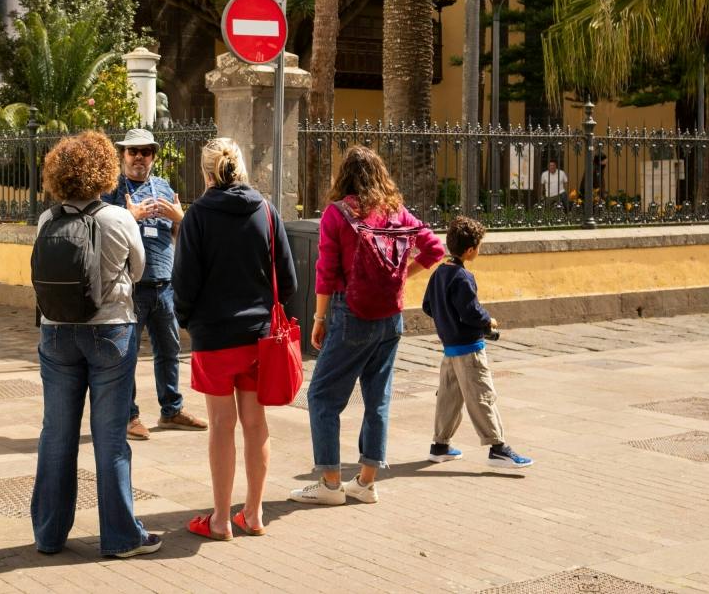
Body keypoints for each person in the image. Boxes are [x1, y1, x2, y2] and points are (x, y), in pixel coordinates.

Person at [29, 131, 161, 560]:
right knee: (110, 439)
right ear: (104, 170)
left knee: (56, 434)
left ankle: (49, 534)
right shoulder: (118, 219)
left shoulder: (48, 221)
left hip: (55, 332)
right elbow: (139, 270)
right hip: (110, 332)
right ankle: (121, 537)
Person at [292, 145, 444, 506]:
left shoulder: (337, 214)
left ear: (343, 176)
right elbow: (435, 249)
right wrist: (402, 275)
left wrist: (319, 318)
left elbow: (326, 273)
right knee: (378, 399)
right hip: (390, 318)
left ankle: (330, 485)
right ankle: (366, 482)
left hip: (352, 314)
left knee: (323, 397)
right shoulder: (397, 212)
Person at [171, 137, 297, 541]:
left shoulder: (197, 216)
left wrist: (189, 320)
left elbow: (184, 284)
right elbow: (289, 280)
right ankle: (254, 513)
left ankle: (221, 519)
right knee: (255, 424)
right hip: (259, 337)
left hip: (214, 337)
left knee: (221, 427)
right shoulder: (265, 210)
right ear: (241, 168)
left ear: (207, 173)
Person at [104, 127, 205, 440]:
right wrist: (128, 216)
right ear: (123, 155)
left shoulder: (162, 187)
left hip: (164, 286)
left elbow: (180, 234)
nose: (139, 157)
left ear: (153, 157)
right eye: (133, 151)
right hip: (129, 289)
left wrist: (180, 217)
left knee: (169, 350)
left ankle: (171, 409)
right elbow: (102, 234)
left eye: (145, 152)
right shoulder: (112, 191)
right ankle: (129, 416)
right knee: (127, 354)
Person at [421, 216, 532, 472]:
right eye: (479, 246)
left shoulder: (439, 274)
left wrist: (445, 319)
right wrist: (487, 321)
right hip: (469, 349)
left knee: (448, 398)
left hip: (449, 349)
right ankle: (498, 448)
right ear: (470, 250)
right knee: (482, 395)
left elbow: (429, 306)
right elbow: (471, 312)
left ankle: (440, 446)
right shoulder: (462, 277)